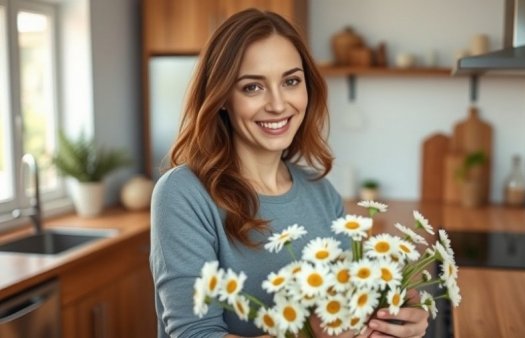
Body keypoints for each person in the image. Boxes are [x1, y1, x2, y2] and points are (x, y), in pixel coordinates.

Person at [150, 8, 429, 338]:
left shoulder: (321, 193)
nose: (279, 104)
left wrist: (393, 321)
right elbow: (195, 334)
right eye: (253, 87)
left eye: (291, 81)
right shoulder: (184, 193)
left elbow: (348, 308)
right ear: (223, 97)